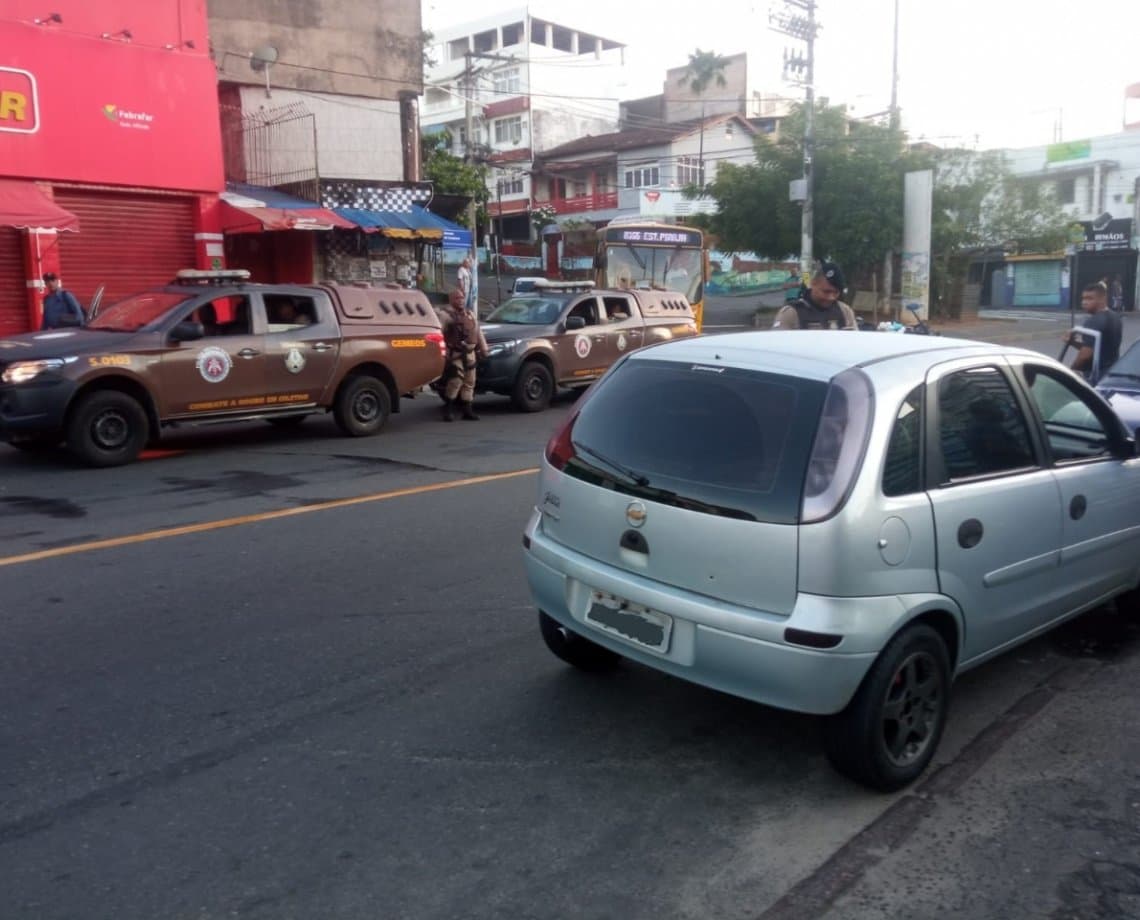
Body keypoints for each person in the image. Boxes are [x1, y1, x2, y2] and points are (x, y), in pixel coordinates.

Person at [440, 287, 488, 422]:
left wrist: (484, 348)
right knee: (456, 380)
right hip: (455, 353)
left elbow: (478, 332)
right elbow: (438, 333)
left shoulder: (470, 314)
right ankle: (448, 409)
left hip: (470, 353)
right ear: (451, 299)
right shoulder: (446, 315)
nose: (460, 300)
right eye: (457, 298)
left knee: (470, 381)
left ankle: (467, 410)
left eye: (461, 297)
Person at [771, 261, 857, 330]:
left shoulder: (845, 311)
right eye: (826, 292)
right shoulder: (791, 313)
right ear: (813, 284)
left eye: (836, 292)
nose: (831, 297)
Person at [1067, 281, 1122, 383]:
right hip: (1111, 373)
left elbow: (1085, 355)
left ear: (1102, 299)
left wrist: (1070, 371)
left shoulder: (1093, 321)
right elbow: (1097, 348)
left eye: (1089, 298)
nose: (1084, 302)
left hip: (1095, 375)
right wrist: (1072, 342)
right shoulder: (1115, 317)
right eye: (1083, 298)